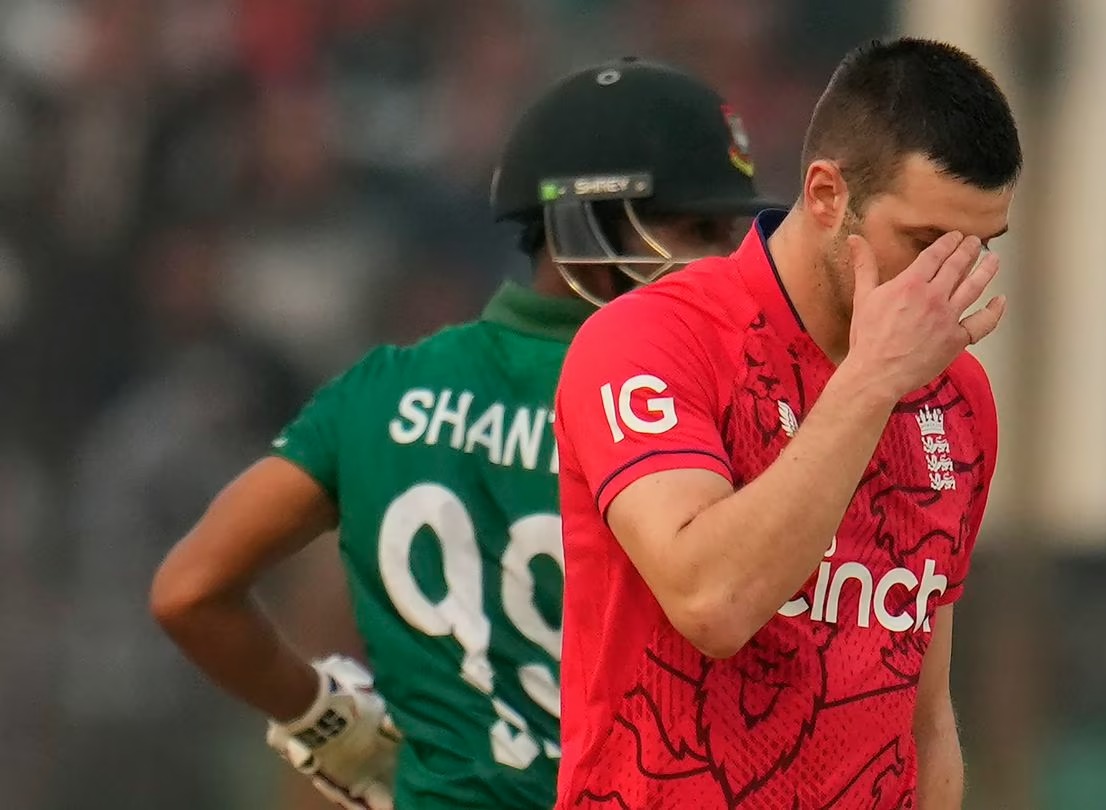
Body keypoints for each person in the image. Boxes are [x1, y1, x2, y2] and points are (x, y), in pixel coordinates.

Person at [149, 57, 772, 810]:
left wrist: (329, 723)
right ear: (588, 224)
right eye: (701, 229)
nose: (734, 262)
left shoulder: (380, 390)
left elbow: (189, 592)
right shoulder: (694, 413)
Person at [552, 38, 1020, 808]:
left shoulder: (958, 397)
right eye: (926, 243)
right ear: (829, 195)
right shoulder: (654, 340)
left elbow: (925, 718)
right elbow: (712, 602)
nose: (947, 282)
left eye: (980, 248)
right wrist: (871, 381)